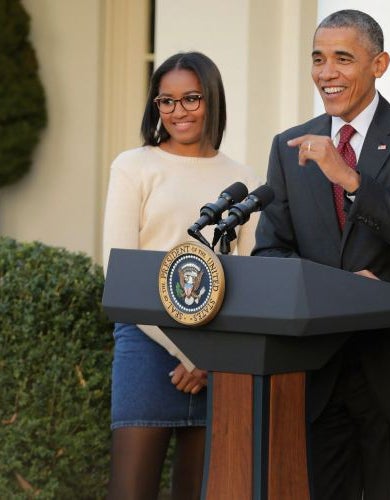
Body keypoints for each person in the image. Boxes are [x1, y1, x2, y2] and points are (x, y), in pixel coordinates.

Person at [252, 9, 390, 500]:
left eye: (343, 58)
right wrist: (331, 292)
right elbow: (270, 253)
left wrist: (351, 180)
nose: (326, 73)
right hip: (319, 376)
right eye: (318, 59)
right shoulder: (289, 147)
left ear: (379, 64)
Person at [103, 51, 260, 499]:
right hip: (145, 341)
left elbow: (247, 278)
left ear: (211, 99)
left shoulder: (241, 178)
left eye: (190, 98)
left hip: (216, 357)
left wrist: (209, 357)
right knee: (130, 492)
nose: (177, 111)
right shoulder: (134, 166)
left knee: (200, 492)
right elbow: (121, 272)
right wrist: (185, 351)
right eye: (165, 101)